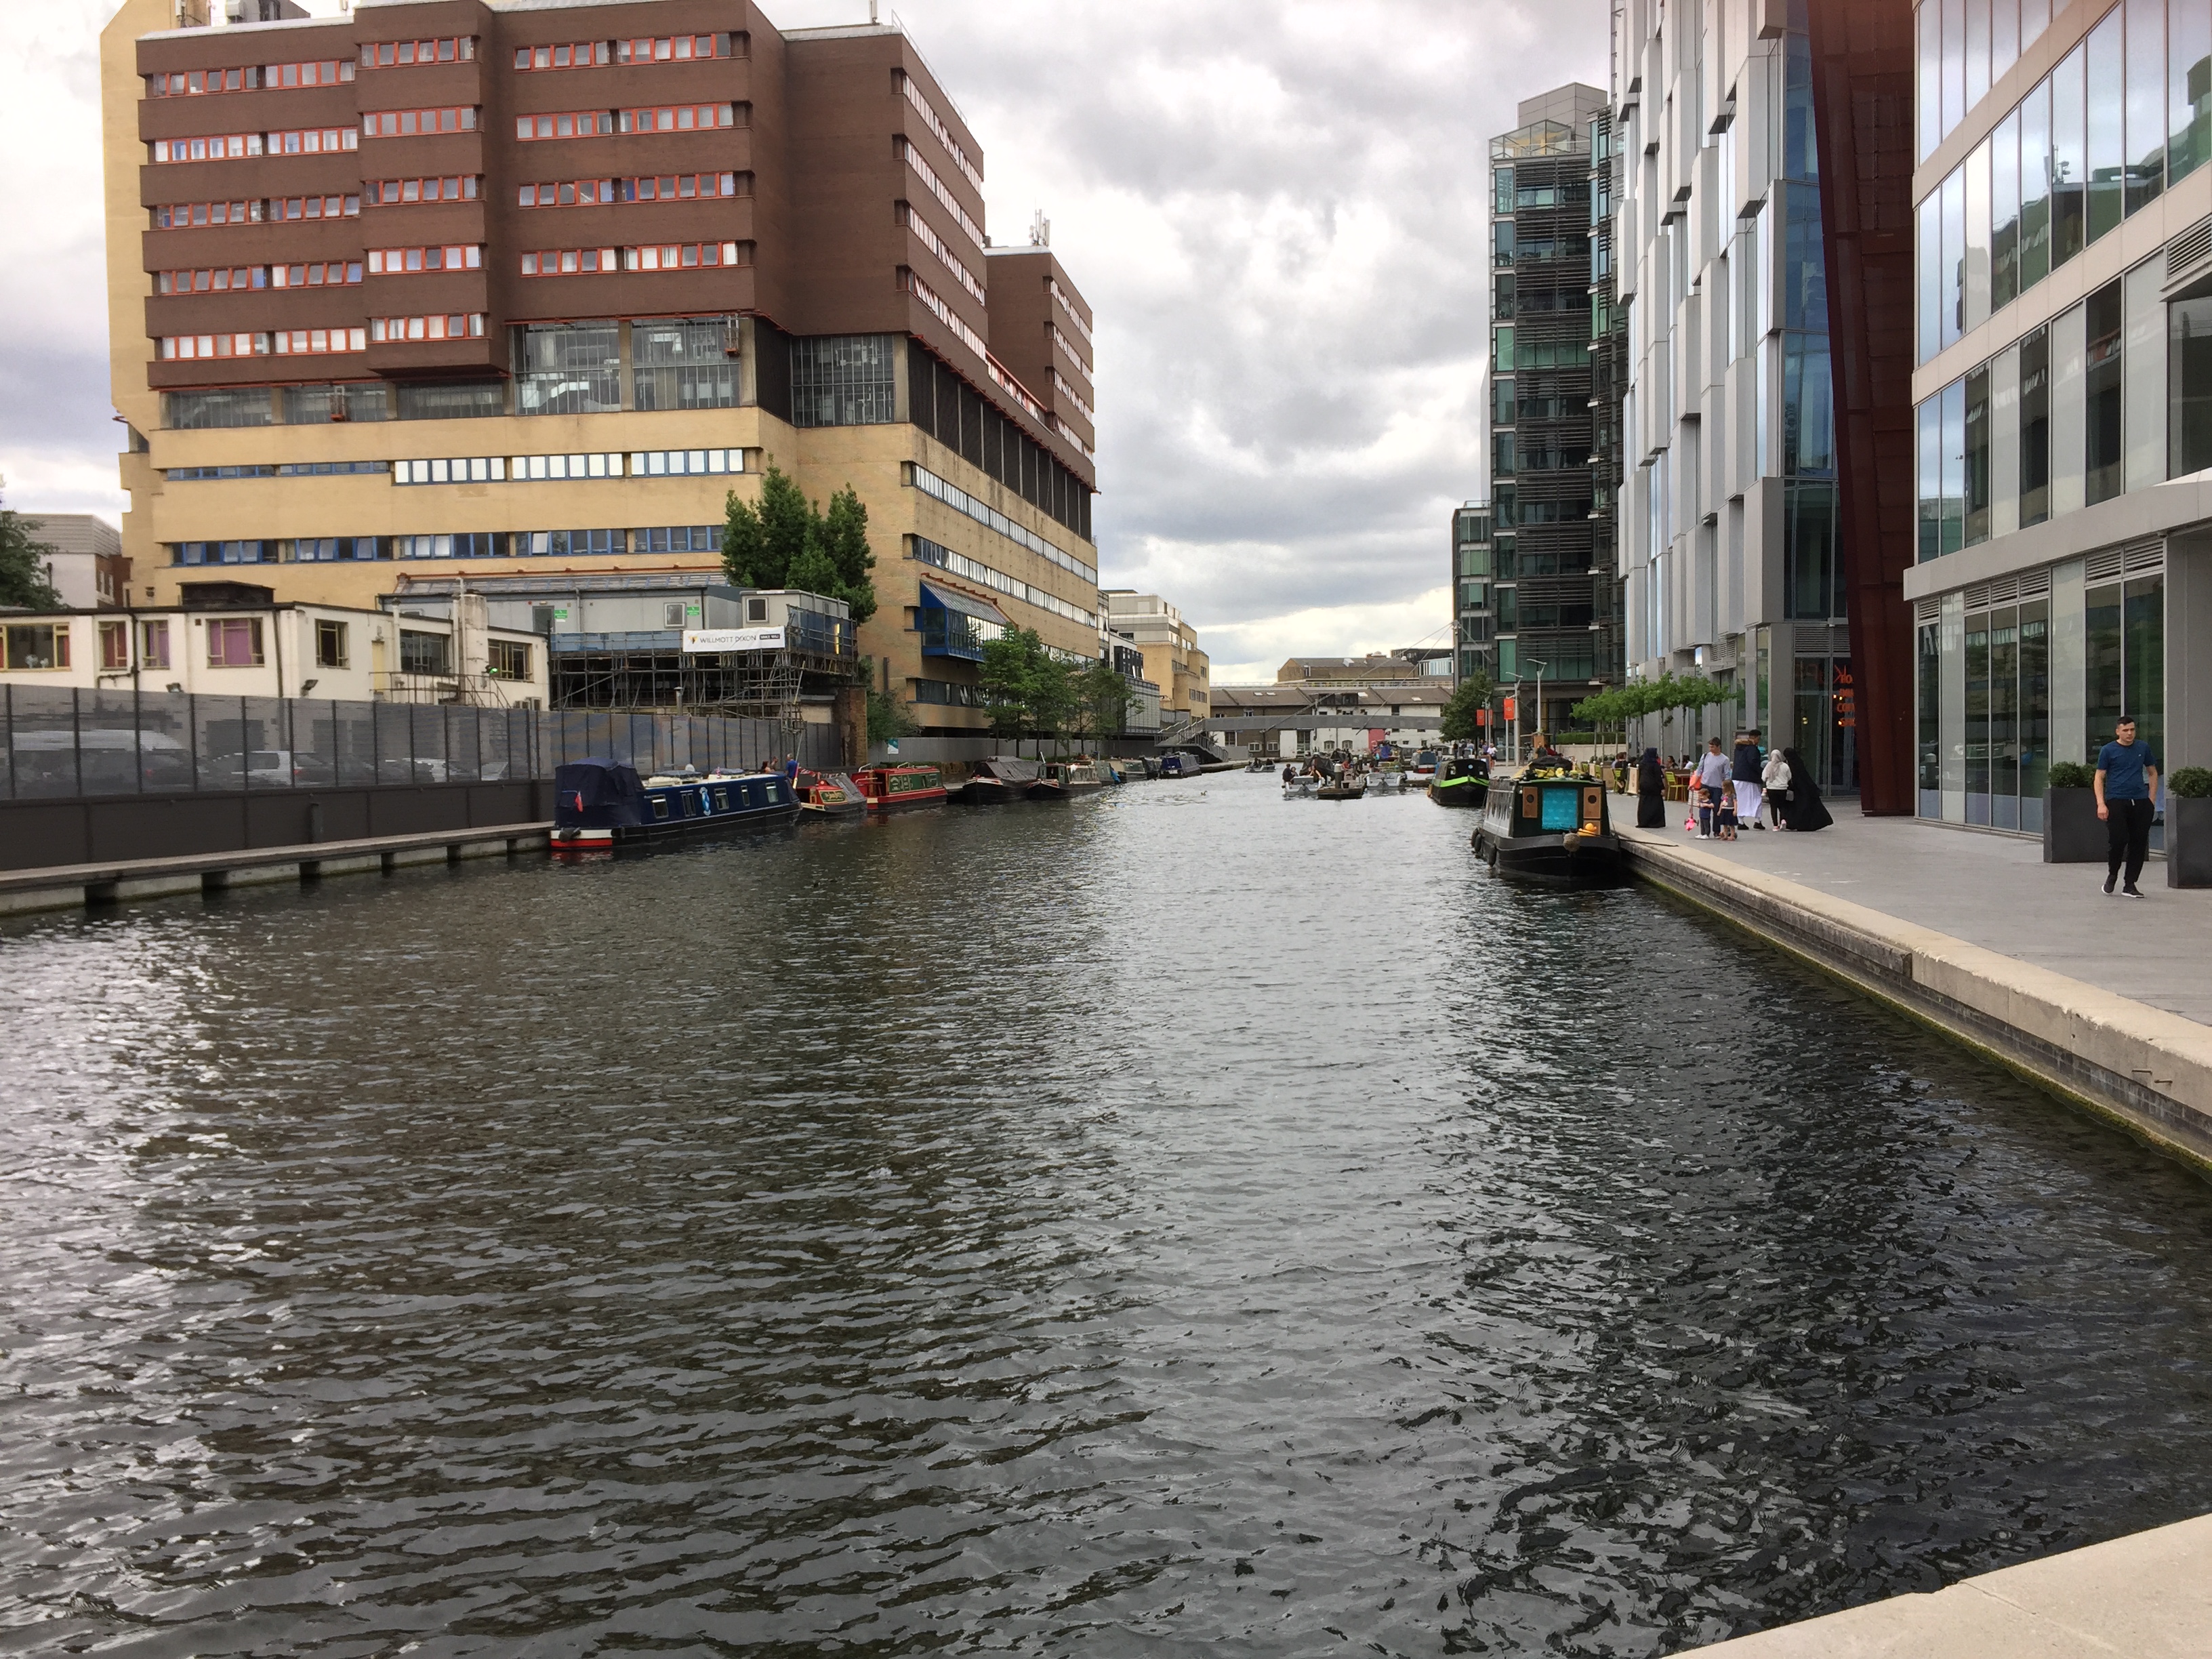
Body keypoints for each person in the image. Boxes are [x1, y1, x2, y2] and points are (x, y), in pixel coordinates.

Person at [2095, 714, 2160, 897]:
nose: (2130, 733)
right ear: (2118, 732)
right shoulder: (2108, 750)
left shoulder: (2142, 747)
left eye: (2132, 730)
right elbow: (2099, 776)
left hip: (2140, 801)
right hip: (2117, 799)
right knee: (2118, 840)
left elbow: (2152, 772)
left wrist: (2151, 800)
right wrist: (2101, 804)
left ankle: (2130, 884)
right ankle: (2112, 875)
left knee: (2139, 843)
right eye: (2126, 730)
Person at [1776, 747, 1832, 831]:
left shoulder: (1785, 764)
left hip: (1791, 789)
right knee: (1804, 806)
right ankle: (1805, 824)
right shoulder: (1799, 762)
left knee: (1790, 807)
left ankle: (1790, 823)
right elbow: (1804, 775)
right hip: (1803, 788)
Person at [1692, 737, 1730, 838]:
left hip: (1717, 787)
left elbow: (1727, 774)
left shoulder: (1725, 759)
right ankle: (1705, 832)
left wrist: (1726, 788)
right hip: (1705, 785)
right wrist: (1694, 783)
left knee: (1716, 808)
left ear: (1718, 747)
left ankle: (1716, 831)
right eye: (1710, 747)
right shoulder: (1705, 756)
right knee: (1704, 808)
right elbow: (1699, 770)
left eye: (1713, 747)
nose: (1711, 749)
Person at [1732, 728, 1766, 830]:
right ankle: (1757, 821)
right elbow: (1753, 762)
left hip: (1737, 777)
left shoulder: (1738, 749)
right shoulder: (1752, 749)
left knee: (1740, 800)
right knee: (1757, 799)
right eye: (1758, 739)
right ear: (1756, 738)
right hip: (1750, 778)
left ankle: (1740, 821)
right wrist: (1762, 772)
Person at [1635, 747, 1666, 828]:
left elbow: (1639, 775)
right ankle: (1655, 822)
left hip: (1644, 785)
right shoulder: (1655, 765)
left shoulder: (1642, 764)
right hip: (1654, 786)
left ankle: (1643, 821)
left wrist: (1639, 786)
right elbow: (1658, 778)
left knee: (1644, 803)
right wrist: (1662, 788)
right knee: (1655, 804)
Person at [1761, 745, 1791, 828]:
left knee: (1773, 807)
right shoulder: (1785, 766)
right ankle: (1783, 820)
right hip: (1782, 788)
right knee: (1783, 806)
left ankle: (1775, 826)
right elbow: (1789, 777)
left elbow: (1764, 777)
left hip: (1771, 789)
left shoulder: (1769, 765)